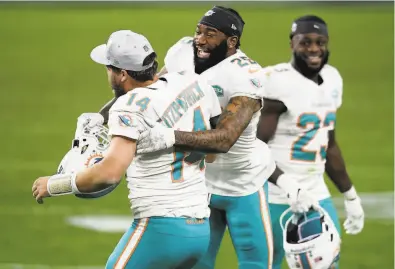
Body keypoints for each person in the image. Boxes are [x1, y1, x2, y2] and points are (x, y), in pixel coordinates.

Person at [135, 6, 317, 269]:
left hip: (243, 186)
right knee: (194, 265)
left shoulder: (245, 74)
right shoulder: (182, 53)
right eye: (198, 31)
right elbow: (150, 95)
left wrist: (167, 137)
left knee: (258, 265)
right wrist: (105, 118)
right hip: (198, 186)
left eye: (211, 34)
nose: (200, 39)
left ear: (232, 42)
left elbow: (224, 140)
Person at [32, 29, 224, 269]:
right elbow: (214, 153)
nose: (107, 74)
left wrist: (54, 185)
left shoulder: (129, 106)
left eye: (109, 68)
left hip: (161, 229)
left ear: (122, 74)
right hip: (199, 230)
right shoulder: (188, 82)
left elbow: (109, 173)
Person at [256, 15, 365, 269]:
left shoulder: (333, 79)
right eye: (305, 42)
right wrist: (288, 185)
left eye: (320, 42)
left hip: (317, 194)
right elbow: (254, 148)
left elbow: (329, 144)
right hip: (273, 196)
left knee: (326, 264)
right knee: (264, 265)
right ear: (292, 44)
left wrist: (350, 195)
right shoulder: (277, 81)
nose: (314, 49)